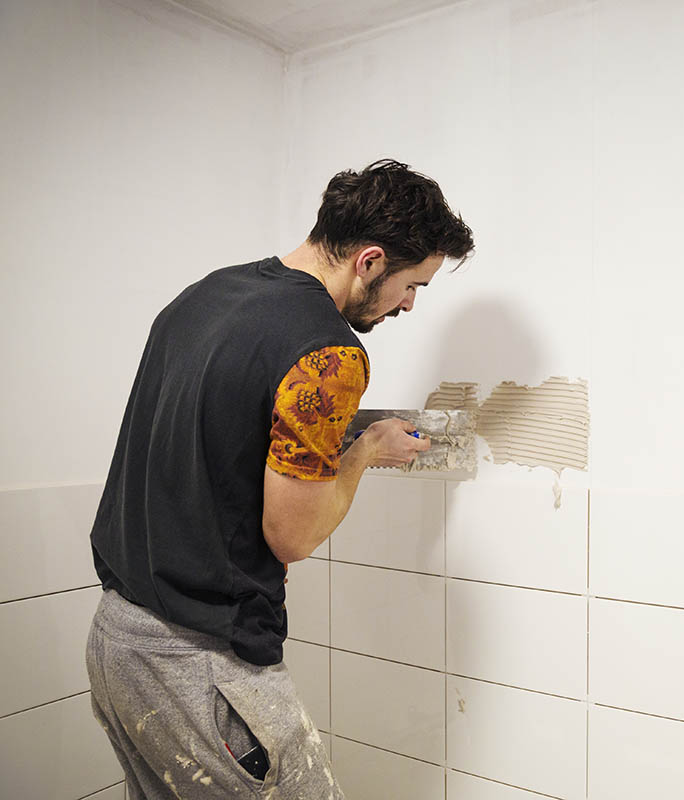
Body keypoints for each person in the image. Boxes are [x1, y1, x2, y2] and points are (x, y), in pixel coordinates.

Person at [85, 159, 473, 799]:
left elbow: (212, 453)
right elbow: (291, 536)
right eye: (413, 286)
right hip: (200, 665)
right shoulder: (327, 352)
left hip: (116, 643)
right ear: (370, 261)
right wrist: (365, 451)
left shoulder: (205, 295)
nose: (408, 304)